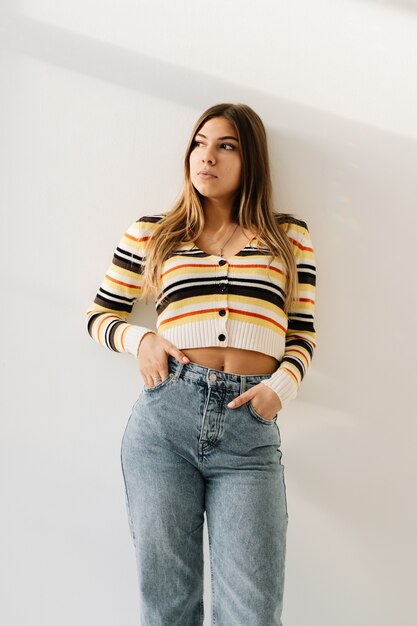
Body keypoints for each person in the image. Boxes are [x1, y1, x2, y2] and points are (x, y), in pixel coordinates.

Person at [85, 103, 316, 625]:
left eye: (226, 145)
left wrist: (281, 388)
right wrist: (140, 340)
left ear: (249, 159)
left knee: (252, 612)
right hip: (164, 425)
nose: (205, 156)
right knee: (169, 606)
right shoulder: (154, 233)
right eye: (199, 142)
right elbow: (100, 314)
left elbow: (301, 335)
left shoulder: (287, 237)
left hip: (249, 428)